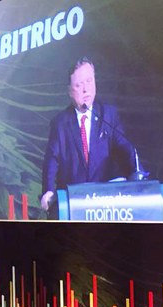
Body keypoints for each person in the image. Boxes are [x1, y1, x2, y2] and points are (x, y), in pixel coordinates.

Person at [41, 57, 137, 213]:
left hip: (106, 204)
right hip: (73, 202)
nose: (86, 90)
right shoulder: (60, 123)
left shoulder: (108, 115)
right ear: (69, 91)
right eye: (79, 85)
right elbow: (52, 160)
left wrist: (137, 173)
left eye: (89, 81)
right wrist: (48, 190)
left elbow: (124, 147)